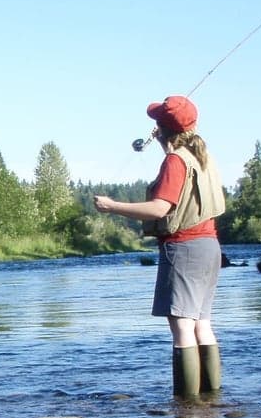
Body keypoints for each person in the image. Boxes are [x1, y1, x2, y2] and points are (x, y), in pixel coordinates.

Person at [94, 95, 224, 398]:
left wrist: (113, 206)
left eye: (156, 123)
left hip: (185, 249)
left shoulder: (176, 161)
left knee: (182, 330)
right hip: (211, 247)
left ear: (162, 130)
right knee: (202, 325)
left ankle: (187, 406)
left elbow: (159, 209)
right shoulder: (203, 158)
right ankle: (212, 400)